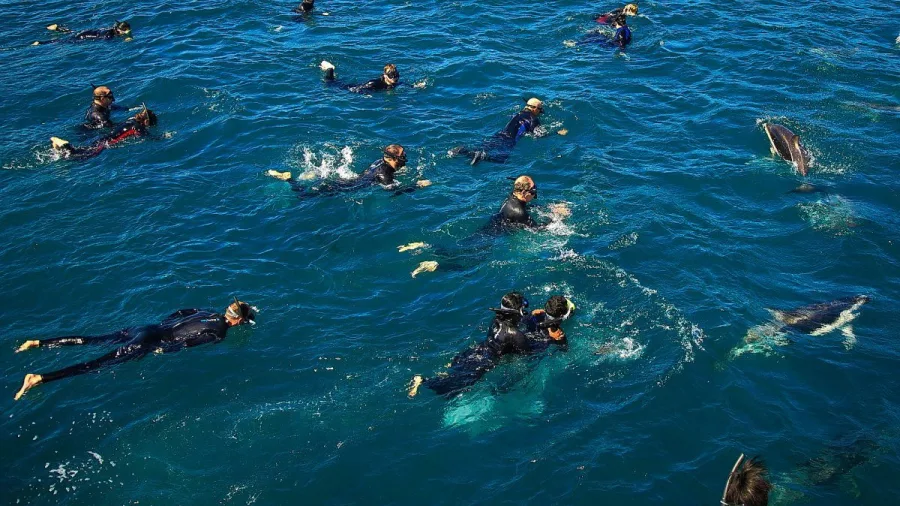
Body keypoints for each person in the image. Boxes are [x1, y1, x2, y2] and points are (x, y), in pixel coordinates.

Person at [14, 298, 256, 400]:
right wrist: (164, 349)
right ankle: (39, 378)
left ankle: (38, 343)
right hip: (148, 342)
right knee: (95, 365)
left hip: (144, 329)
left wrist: (162, 327)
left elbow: (182, 312)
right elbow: (188, 343)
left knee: (93, 340)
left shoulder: (208, 312)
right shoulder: (220, 333)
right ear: (239, 321)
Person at [408, 293, 532, 398]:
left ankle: (434, 377)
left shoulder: (496, 320)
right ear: (517, 312)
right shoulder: (515, 334)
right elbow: (528, 354)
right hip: (484, 361)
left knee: (454, 372)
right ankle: (423, 381)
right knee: (455, 388)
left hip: (475, 351)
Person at [266, 144, 431, 197]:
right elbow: (393, 192)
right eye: (402, 156)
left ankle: (297, 178)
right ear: (393, 158)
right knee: (304, 196)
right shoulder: (384, 174)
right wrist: (417, 185)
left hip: (343, 181)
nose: (404, 158)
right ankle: (289, 179)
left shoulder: (379, 162)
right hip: (342, 188)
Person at [449, 98, 545, 165]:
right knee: (502, 160)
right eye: (540, 110)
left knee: (483, 148)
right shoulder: (533, 119)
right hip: (509, 140)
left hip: (499, 135)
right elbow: (538, 134)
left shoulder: (518, 114)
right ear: (534, 108)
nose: (540, 113)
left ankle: (462, 151)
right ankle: (482, 157)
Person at [51, 106, 157, 160]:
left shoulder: (130, 120)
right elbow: (147, 137)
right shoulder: (137, 127)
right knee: (85, 157)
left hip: (103, 138)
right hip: (106, 142)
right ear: (146, 122)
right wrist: (161, 137)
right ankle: (65, 145)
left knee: (83, 151)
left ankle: (60, 147)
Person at [320, 61, 402, 93]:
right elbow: (362, 88)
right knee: (329, 82)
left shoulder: (394, 83)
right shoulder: (375, 83)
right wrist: (366, 93)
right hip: (346, 88)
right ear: (385, 75)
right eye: (391, 76)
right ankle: (330, 68)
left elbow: (403, 84)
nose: (395, 78)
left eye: (396, 75)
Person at [33, 20, 132, 45]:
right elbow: (105, 41)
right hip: (83, 36)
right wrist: (125, 38)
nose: (128, 31)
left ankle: (57, 28)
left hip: (87, 32)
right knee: (63, 41)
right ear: (119, 30)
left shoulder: (111, 29)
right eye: (126, 30)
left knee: (72, 33)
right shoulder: (109, 35)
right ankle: (40, 43)